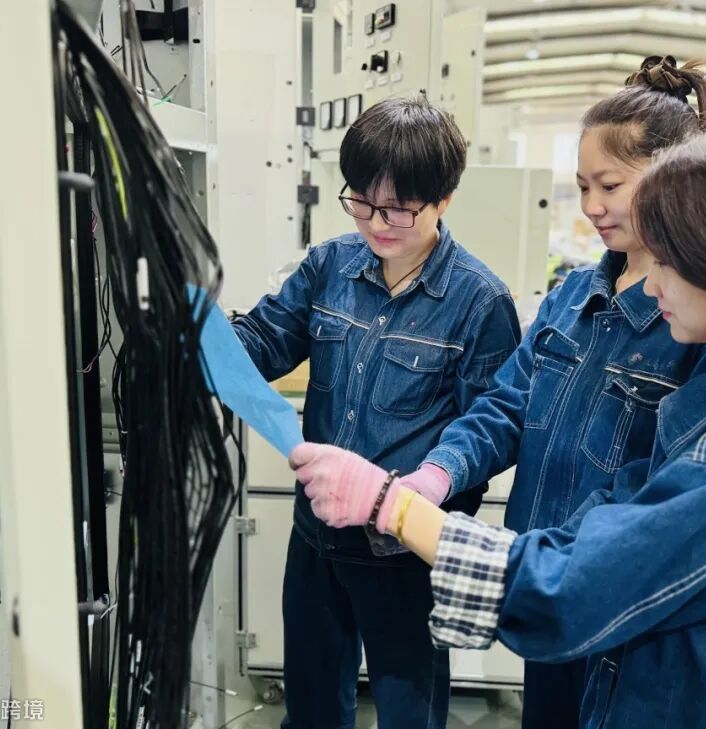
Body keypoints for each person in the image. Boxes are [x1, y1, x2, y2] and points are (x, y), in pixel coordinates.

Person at [290, 116, 706, 729]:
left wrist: (392, 506)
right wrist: (439, 476)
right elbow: (603, 494)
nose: (653, 282)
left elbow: (574, 585)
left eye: (668, 259)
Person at [396, 55, 706, 728]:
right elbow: (508, 404)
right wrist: (441, 469)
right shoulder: (572, 297)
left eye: (610, 185)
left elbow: (661, 487)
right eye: (581, 187)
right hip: (543, 579)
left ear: (674, 177)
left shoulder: (697, 325)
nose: (592, 206)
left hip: (618, 600)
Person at [232, 95, 521, 729]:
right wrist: (203, 334)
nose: (376, 222)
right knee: (311, 705)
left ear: (443, 200)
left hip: (404, 552)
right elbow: (266, 341)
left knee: (408, 711)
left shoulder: (479, 301)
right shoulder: (329, 266)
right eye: (362, 201)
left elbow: (494, 425)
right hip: (317, 537)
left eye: (397, 208)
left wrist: (431, 484)